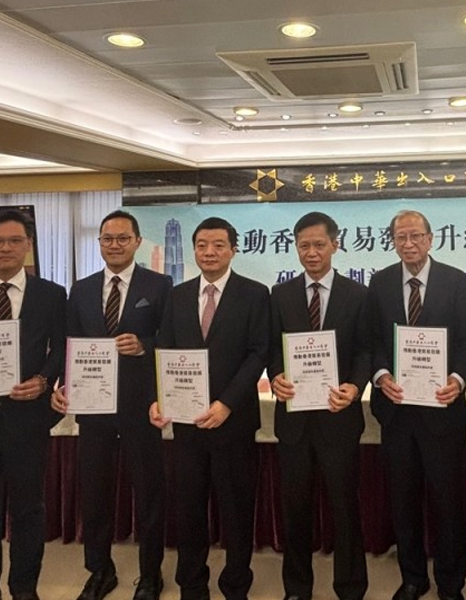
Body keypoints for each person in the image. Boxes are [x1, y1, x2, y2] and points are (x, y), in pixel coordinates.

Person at [51, 210, 171, 600]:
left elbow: (172, 338)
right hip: (94, 407)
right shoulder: (81, 289)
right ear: (99, 243)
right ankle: (99, 570)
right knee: (95, 493)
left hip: (141, 406)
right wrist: (62, 384)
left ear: (137, 241)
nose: (114, 245)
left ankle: (150, 574)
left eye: (123, 238)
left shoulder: (160, 285)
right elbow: (70, 343)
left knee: (149, 493)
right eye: (107, 238)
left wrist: (144, 345)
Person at [150, 216, 269, 600]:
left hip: (233, 423)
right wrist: (160, 397)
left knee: (236, 510)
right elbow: (165, 349)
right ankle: (192, 584)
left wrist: (227, 403)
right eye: (202, 245)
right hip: (187, 424)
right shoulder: (178, 295)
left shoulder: (255, 294)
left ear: (233, 249)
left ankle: (236, 584)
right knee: (188, 509)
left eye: (218, 245)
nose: (209, 252)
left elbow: (258, 353)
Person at [367, 209, 466, 600]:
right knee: (404, 501)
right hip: (397, 412)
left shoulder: (455, 280)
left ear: (431, 239)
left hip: (442, 411)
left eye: (416, 236)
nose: (409, 244)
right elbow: (372, 340)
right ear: (392, 241)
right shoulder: (379, 282)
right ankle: (413, 577)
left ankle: (451, 582)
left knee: (448, 502)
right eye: (401, 237)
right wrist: (381, 376)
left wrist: (458, 380)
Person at [268, 212, 371, 600]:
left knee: (345, 509)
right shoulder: (280, 294)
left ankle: (351, 587)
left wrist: (355, 387)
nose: (311, 253)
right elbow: (271, 348)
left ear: (335, 245)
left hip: (338, 417)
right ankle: (297, 588)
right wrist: (276, 375)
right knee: (295, 510)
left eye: (319, 245)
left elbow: (365, 350)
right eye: (304, 246)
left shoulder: (357, 294)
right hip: (294, 421)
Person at [0, 210, 66, 600]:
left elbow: (61, 347)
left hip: (28, 420)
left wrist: (44, 380)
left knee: (28, 511)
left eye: (14, 241)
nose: (5, 248)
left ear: (28, 245)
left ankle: (24, 588)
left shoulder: (51, 294)